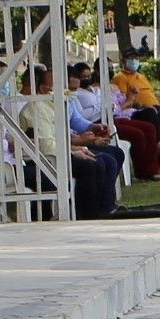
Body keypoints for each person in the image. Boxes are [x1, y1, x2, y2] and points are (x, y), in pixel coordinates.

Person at [65, 61, 125, 218]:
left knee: (117, 153)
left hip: (78, 139)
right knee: (104, 160)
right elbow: (61, 134)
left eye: (75, 89)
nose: (73, 93)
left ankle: (107, 202)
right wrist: (88, 142)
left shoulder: (69, 99)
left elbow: (76, 119)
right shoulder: (52, 102)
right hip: (69, 144)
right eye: (70, 89)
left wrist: (93, 127)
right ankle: (97, 208)